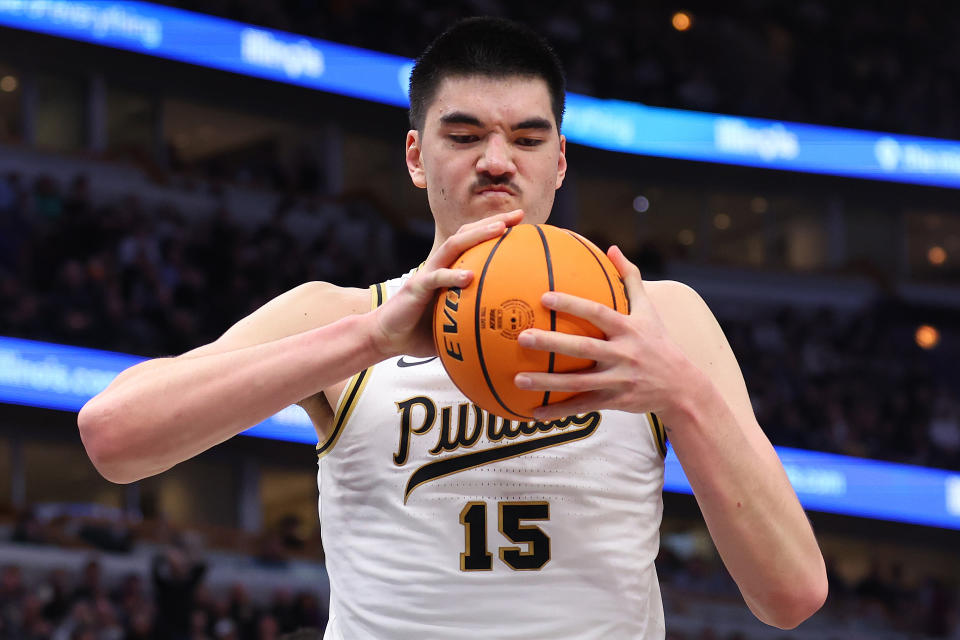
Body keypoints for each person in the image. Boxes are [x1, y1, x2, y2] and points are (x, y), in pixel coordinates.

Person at [78, 17, 827, 639]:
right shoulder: (340, 315)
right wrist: (369, 339)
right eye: (464, 135)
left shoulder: (657, 317)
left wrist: (682, 393)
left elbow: (791, 594)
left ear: (560, 161)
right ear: (415, 155)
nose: (497, 161)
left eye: (529, 140)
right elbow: (113, 437)